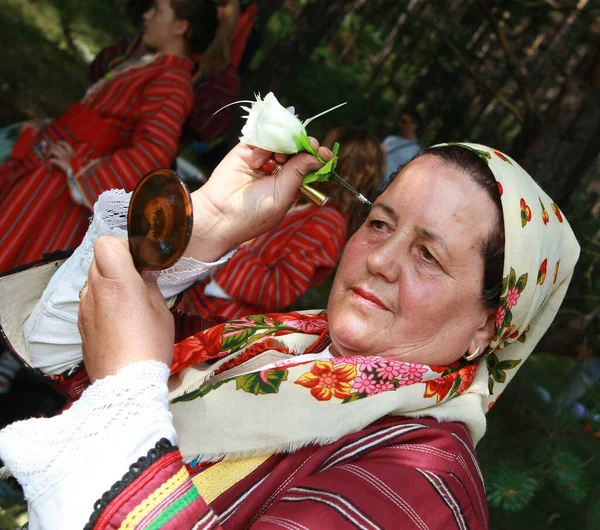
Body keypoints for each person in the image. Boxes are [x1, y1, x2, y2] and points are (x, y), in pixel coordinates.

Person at [0, 141, 579, 529]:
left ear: (488, 325)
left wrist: (126, 390)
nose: (381, 259)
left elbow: (110, 382)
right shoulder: (279, 350)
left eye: (428, 255)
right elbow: (59, 347)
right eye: (379, 223)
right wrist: (201, 229)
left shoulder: (423, 485)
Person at [0, 0, 219, 273]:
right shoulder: (157, 66)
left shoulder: (173, 81)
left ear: (181, 26)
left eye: (158, 11)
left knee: (13, 252)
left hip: (58, 194)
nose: (147, 15)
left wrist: (79, 169)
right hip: (46, 170)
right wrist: (48, 128)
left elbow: (153, 152)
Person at [180, 127, 384, 319]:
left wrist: (227, 260)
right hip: (201, 299)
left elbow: (279, 288)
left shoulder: (328, 224)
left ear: (343, 167)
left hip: (220, 315)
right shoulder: (312, 207)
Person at [90, 0, 242, 146]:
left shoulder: (218, 77)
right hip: (91, 134)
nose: (147, 16)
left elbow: (206, 130)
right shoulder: (157, 39)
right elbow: (100, 71)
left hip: (127, 153)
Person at [382, 109, 422, 182]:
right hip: (372, 180)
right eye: (400, 121)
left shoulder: (418, 151)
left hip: (386, 187)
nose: (400, 124)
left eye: (404, 121)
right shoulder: (390, 139)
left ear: (415, 125)